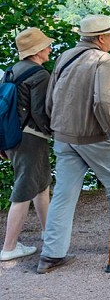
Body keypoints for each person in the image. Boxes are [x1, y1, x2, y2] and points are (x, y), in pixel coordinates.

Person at [38, 15, 110, 274]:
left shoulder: (66, 55)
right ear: (101, 38)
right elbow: (103, 102)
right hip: (95, 137)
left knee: (63, 194)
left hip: (63, 135)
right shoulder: (103, 59)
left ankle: (51, 254)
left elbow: (51, 96)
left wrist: (52, 125)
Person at [0, 28, 54, 262]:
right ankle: (9, 247)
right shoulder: (39, 75)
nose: (50, 49)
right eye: (47, 46)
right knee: (23, 191)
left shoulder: (12, 71)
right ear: (38, 51)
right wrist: (55, 133)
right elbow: (40, 112)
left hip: (12, 137)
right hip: (31, 138)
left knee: (41, 185)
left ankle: (49, 233)